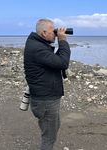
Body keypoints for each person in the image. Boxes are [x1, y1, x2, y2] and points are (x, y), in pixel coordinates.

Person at [24, 18, 71, 150]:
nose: (56, 33)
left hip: (44, 97)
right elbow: (62, 63)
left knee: (51, 129)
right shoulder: (38, 48)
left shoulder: (37, 44)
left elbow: (54, 61)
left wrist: (57, 40)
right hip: (45, 100)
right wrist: (62, 40)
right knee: (49, 136)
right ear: (44, 33)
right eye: (53, 30)